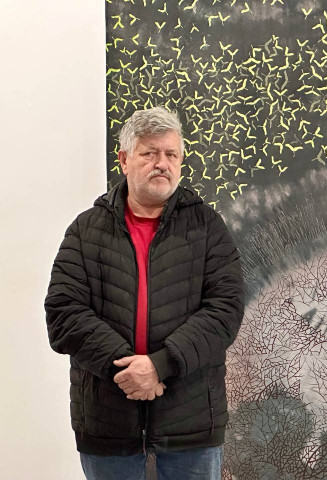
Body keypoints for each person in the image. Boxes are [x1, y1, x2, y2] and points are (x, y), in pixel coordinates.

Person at [45, 107, 244, 480]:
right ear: (124, 160)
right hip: (108, 422)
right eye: (149, 153)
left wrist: (159, 365)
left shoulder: (208, 228)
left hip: (191, 423)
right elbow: (63, 314)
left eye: (171, 154)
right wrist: (128, 369)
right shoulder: (85, 231)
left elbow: (225, 311)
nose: (162, 163)